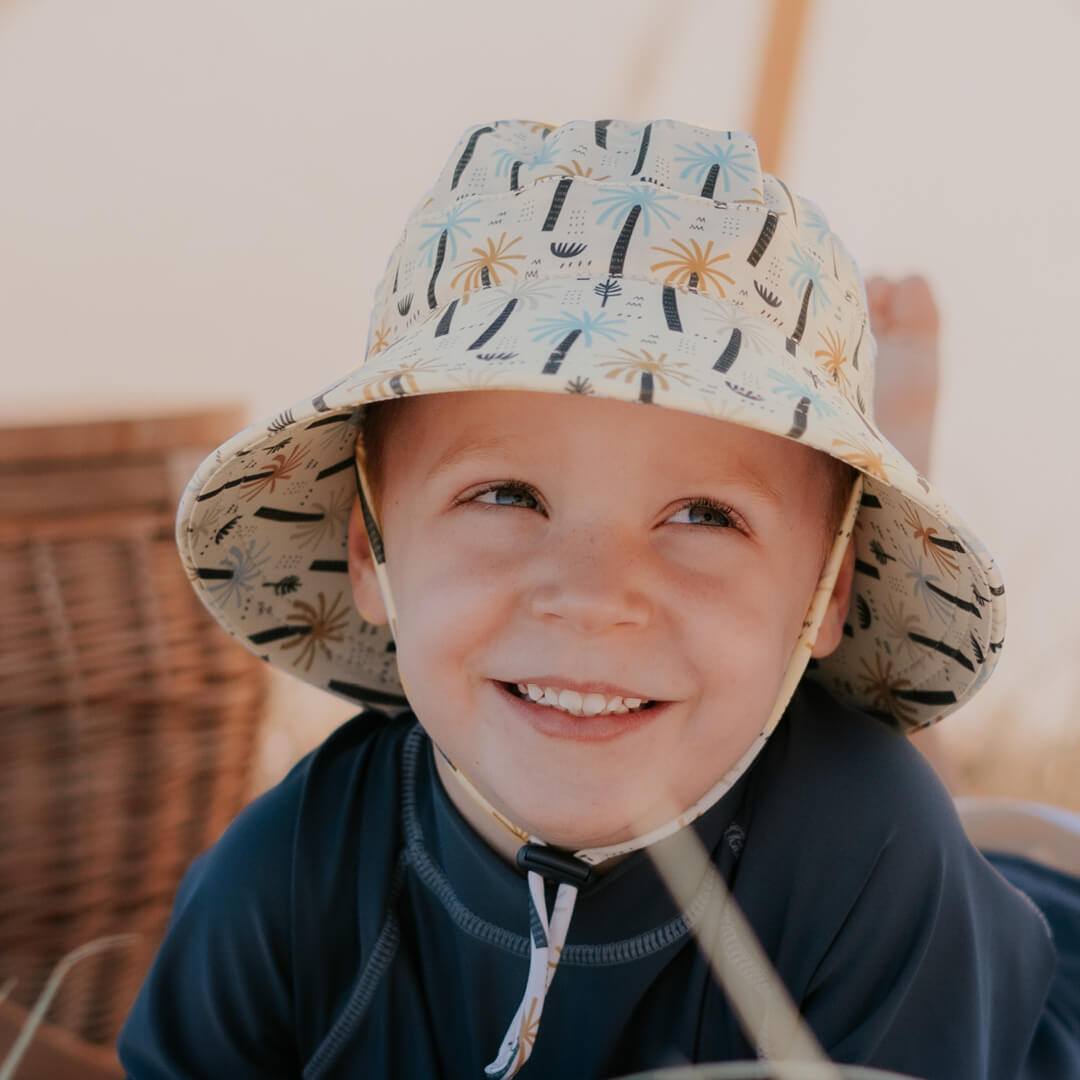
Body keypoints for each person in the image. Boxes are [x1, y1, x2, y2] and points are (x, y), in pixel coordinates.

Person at [116, 119, 1079, 1079]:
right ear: (370, 553)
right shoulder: (290, 877)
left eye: (702, 514)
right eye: (506, 497)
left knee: (949, 817)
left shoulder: (873, 856)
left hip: (1025, 966)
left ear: (829, 591)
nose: (591, 597)